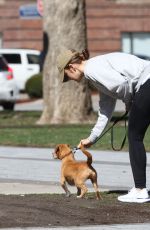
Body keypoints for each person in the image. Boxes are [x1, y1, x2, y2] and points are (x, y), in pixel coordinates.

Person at [56, 49, 150, 203]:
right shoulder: (95, 71)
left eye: (67, 76)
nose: (69, 79)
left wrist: (129, 102)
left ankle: (140, 190)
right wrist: (92, 137)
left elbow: (121, 84)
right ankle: (139, 189)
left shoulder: (92, 70)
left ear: (72, 67)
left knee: (134, 136)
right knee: (135, 134)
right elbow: (106, 109)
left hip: (147, 83)